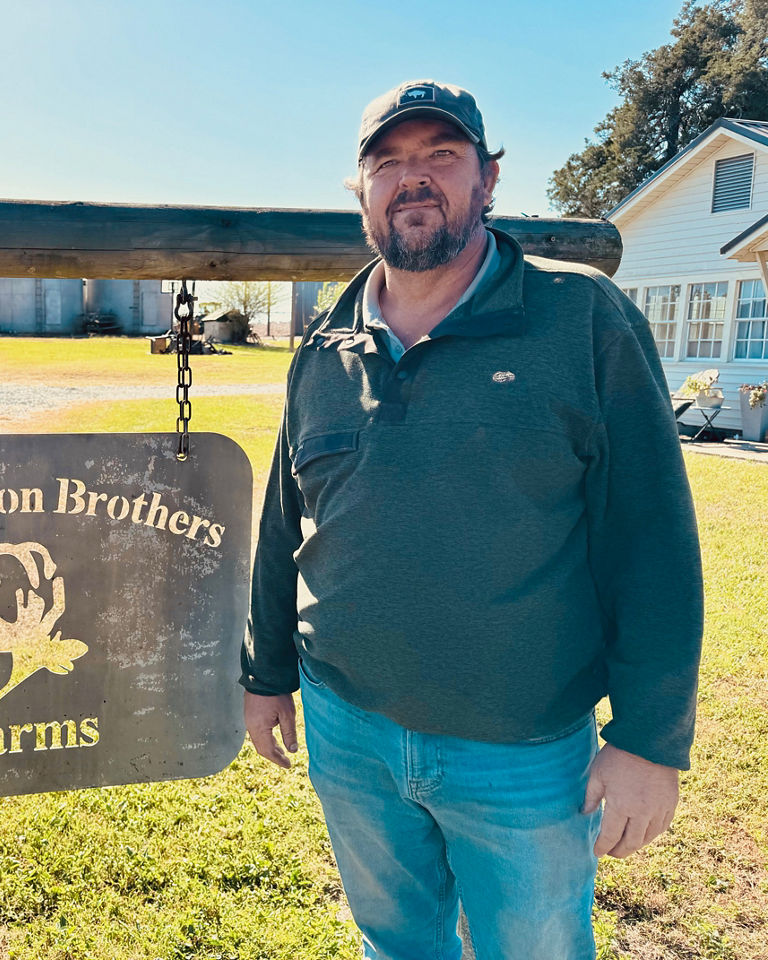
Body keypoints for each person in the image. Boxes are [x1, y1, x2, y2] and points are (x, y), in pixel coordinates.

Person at [241, 79, 703, 960]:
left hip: (522, 750)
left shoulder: (581, 319)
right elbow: (284, 520)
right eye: (388, 163)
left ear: (487, 179)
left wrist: (649, 737)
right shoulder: (324, 347)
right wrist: (266, 672)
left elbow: (653, 538)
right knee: (395, 941)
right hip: (348, 732)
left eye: (440, 158)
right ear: (362, 193)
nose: (413, 180)